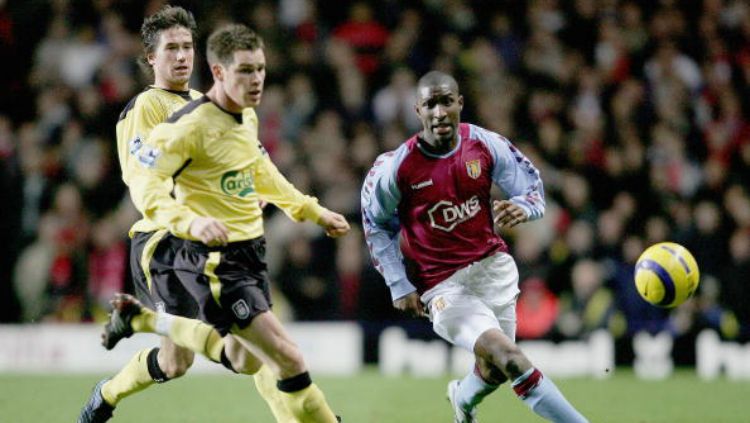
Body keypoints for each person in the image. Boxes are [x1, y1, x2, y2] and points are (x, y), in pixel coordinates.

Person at [78, 7, 295, 423]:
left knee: (250, 341)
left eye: (187, 46)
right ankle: (107, 393)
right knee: (182, 361)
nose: (182, 56)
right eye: (171, 48)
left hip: (213, 244)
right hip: (164, 244)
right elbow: (146, 181)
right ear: (151, 58)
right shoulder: (147, 107)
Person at [126, 23, 349, 423]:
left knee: (245, 359)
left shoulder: (244, 117)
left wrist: (310, 210)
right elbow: (145, 184)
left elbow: (262, 173)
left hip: (250, 252)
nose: (257, 79)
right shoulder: (179, 122)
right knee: (288, 358)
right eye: (246, 70)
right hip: (210, 256)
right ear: (219, 72)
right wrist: (189, 222)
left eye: (261, 69)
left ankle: (142, 319)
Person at [361, 70, 588, 423]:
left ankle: (462, 399)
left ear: (460, 104)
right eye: (430, 105)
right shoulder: (400, 167)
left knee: (493, 369)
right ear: (418, 110)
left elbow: (531, 187)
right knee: (510, 358)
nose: (439, 112)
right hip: (442, 286)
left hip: (492, 269)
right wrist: (398, 282)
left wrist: (525, 207)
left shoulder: (483, 144)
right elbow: (376, 222)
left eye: (446, 102)